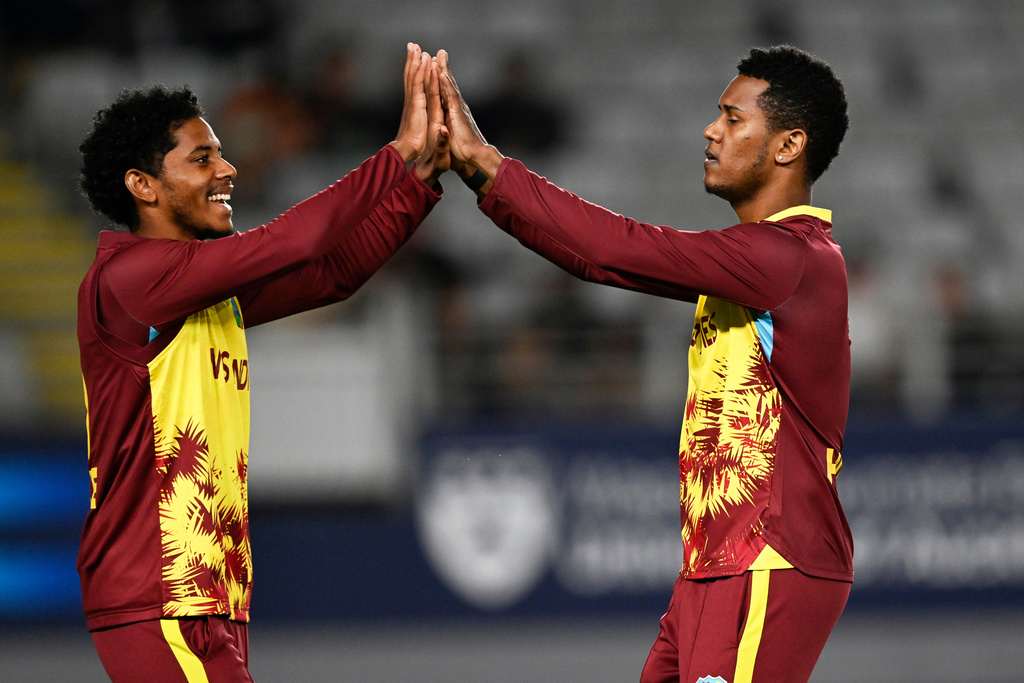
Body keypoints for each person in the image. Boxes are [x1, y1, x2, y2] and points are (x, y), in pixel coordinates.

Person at [437, 45, 853, 683]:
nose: (711, 131)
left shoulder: (788, 258)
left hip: (768, 559)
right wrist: (482, 179)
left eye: (733, 119)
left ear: (788, 145)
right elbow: (597, 259)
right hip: (715, 566)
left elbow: (615, 250)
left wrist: (486, 164)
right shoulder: (760, 262)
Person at [75, 43, 448, 682]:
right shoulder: (131, 278)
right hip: (157, 591)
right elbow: (294, 241)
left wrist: (420, 182)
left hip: (209, 594)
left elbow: (331, 275)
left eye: (220, 153)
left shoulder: (196, 288)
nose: (228, 169)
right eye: (202, 158)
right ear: (142, 185)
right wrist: (397, 154)